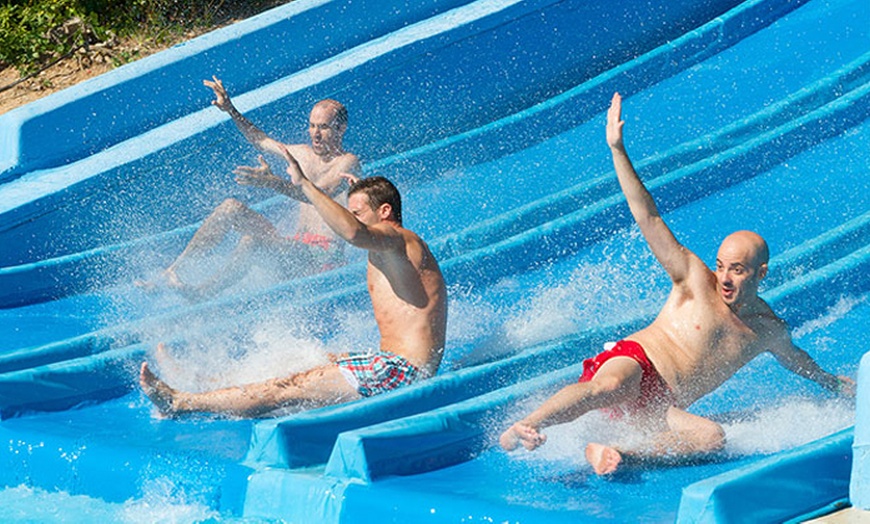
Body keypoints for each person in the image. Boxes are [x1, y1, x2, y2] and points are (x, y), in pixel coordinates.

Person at [498, 92, 855, 475]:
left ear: (761, 274)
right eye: (721, 266)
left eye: (737, 270)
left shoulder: (767, 330)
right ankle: (527, 425)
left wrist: (835, 385)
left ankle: (617, 451)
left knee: (711, 438)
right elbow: (648, 217)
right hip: (637, 363)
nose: (725, 278)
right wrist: (618, 150)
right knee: (608, 387)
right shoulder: (695, 281)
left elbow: (796, 360)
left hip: (659, 407)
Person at [140, 157, 448, 417]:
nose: (352, 218)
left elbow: (354, 232)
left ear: (384, 212)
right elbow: (355, 223)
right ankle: (202, 381)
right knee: (306, 359)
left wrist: (305, 183)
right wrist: (356, 193)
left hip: (402, 373)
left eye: (358, 212)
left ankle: (181, 402)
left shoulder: (400, 238)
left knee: (287, 387)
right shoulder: (392, 246)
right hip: (390, 365)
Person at [138, 76, 360, 300]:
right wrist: (231, 110)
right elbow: (261, 140)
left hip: (322, 257)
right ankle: (172, 272)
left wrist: (272, 182)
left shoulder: (347, 162)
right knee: (230, 208)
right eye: (312, 126)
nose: (315, 134)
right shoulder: (302, 153)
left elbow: (319, 196)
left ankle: (202, 293)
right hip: (294, 246)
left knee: (251, 242)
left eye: (323, 127)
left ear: (341, 128)